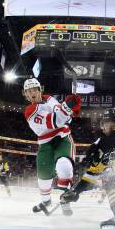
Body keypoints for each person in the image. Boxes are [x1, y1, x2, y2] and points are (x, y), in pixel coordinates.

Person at [61, 107, 115, 229]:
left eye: (104, 123)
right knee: (110, 180)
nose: (102, 128)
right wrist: (76, 191)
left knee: (114, 174)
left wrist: (97, 148)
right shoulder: (106, 148)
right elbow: (92, 174)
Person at [23, 78, 81, 215]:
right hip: (45, 144)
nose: (32, 93)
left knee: (64, 166)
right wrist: (67, 108)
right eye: (29, 91)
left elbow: (65, 116)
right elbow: (56, 120)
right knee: (43, 176)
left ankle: (65, 199)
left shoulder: (49, 98)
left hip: (62, 138)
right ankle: (46, 201)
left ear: (39, 90)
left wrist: (70, 108)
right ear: (26, 94)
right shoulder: (30, 111)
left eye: (34, 89)